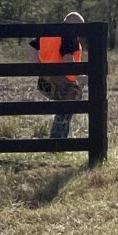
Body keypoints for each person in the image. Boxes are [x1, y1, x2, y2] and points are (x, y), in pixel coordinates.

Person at [29, 12, 86, 140]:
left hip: (47, 78)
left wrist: (39, 67)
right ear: (73, 23)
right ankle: (57, 142)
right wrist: (79, 76)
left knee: (60, 111)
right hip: (66, 80)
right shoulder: (69, 34)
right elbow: (67, 58)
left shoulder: (48, 31)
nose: (80, 31)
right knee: (64, 113)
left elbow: (32, 47)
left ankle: (57, 142)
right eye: (80, 27)